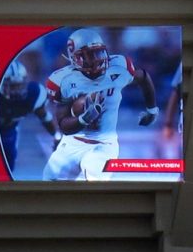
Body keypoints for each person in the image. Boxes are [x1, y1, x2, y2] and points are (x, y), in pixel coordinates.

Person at [37, 28, 157, 180]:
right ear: (75, 58)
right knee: (49, 178)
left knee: (94, 178)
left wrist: (152, 109)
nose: (97, 59)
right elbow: (63, 125)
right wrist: (84, 119)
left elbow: (144, 77)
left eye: (99, 52)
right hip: (73, 142)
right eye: (89, 55)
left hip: (104, 143)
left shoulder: (119, 67)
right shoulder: (64, 80)